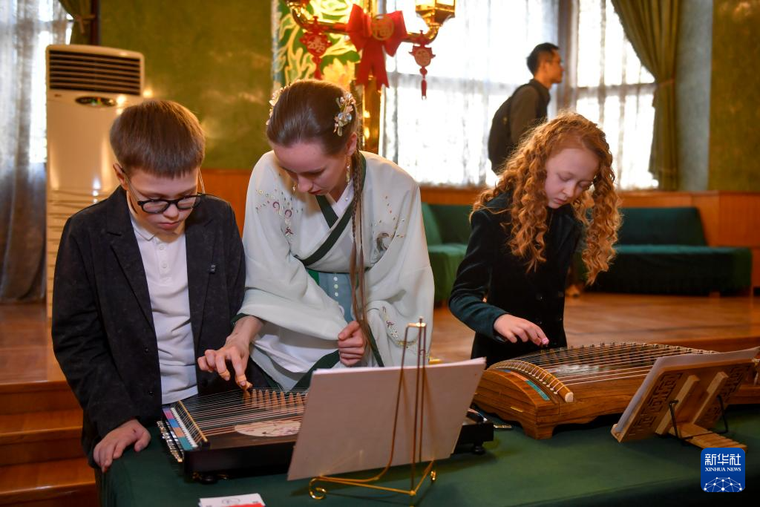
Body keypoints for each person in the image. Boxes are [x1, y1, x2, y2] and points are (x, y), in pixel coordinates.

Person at [52, 100, 251, 473]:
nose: (173, 213)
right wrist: (115, 416)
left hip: (213, 408)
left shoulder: (217, 218)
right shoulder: (87, 233)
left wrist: (233, 344)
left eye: (186, 196)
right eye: (155, 201)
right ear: (122, 176)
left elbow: (240, 305)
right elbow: (77, 340)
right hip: (131, 416)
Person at [199, 79, 434, 391]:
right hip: (293, 326)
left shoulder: (396, 187)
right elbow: (268, 279)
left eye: (314, 172)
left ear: (350, 145)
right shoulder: (268, 172)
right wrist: (238, 338)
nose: (301, 186)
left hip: (369, 320)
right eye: (289, 171)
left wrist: (369, 330)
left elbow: (403, 283)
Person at [450, 112, 620, 367]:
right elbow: (462, 296)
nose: (571, 192)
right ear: (538, 163)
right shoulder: (495, 216)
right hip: (500, 359)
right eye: (564, 178)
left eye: (583, 185)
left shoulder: (568, 221)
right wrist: (498, 319)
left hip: (551, 359)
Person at [488, 42, 564, 174]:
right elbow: (522, 140)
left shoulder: (535, 93)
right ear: (544, 65)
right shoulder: (530, 94)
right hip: (516, 172)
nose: (562, 69)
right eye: (558, 62)